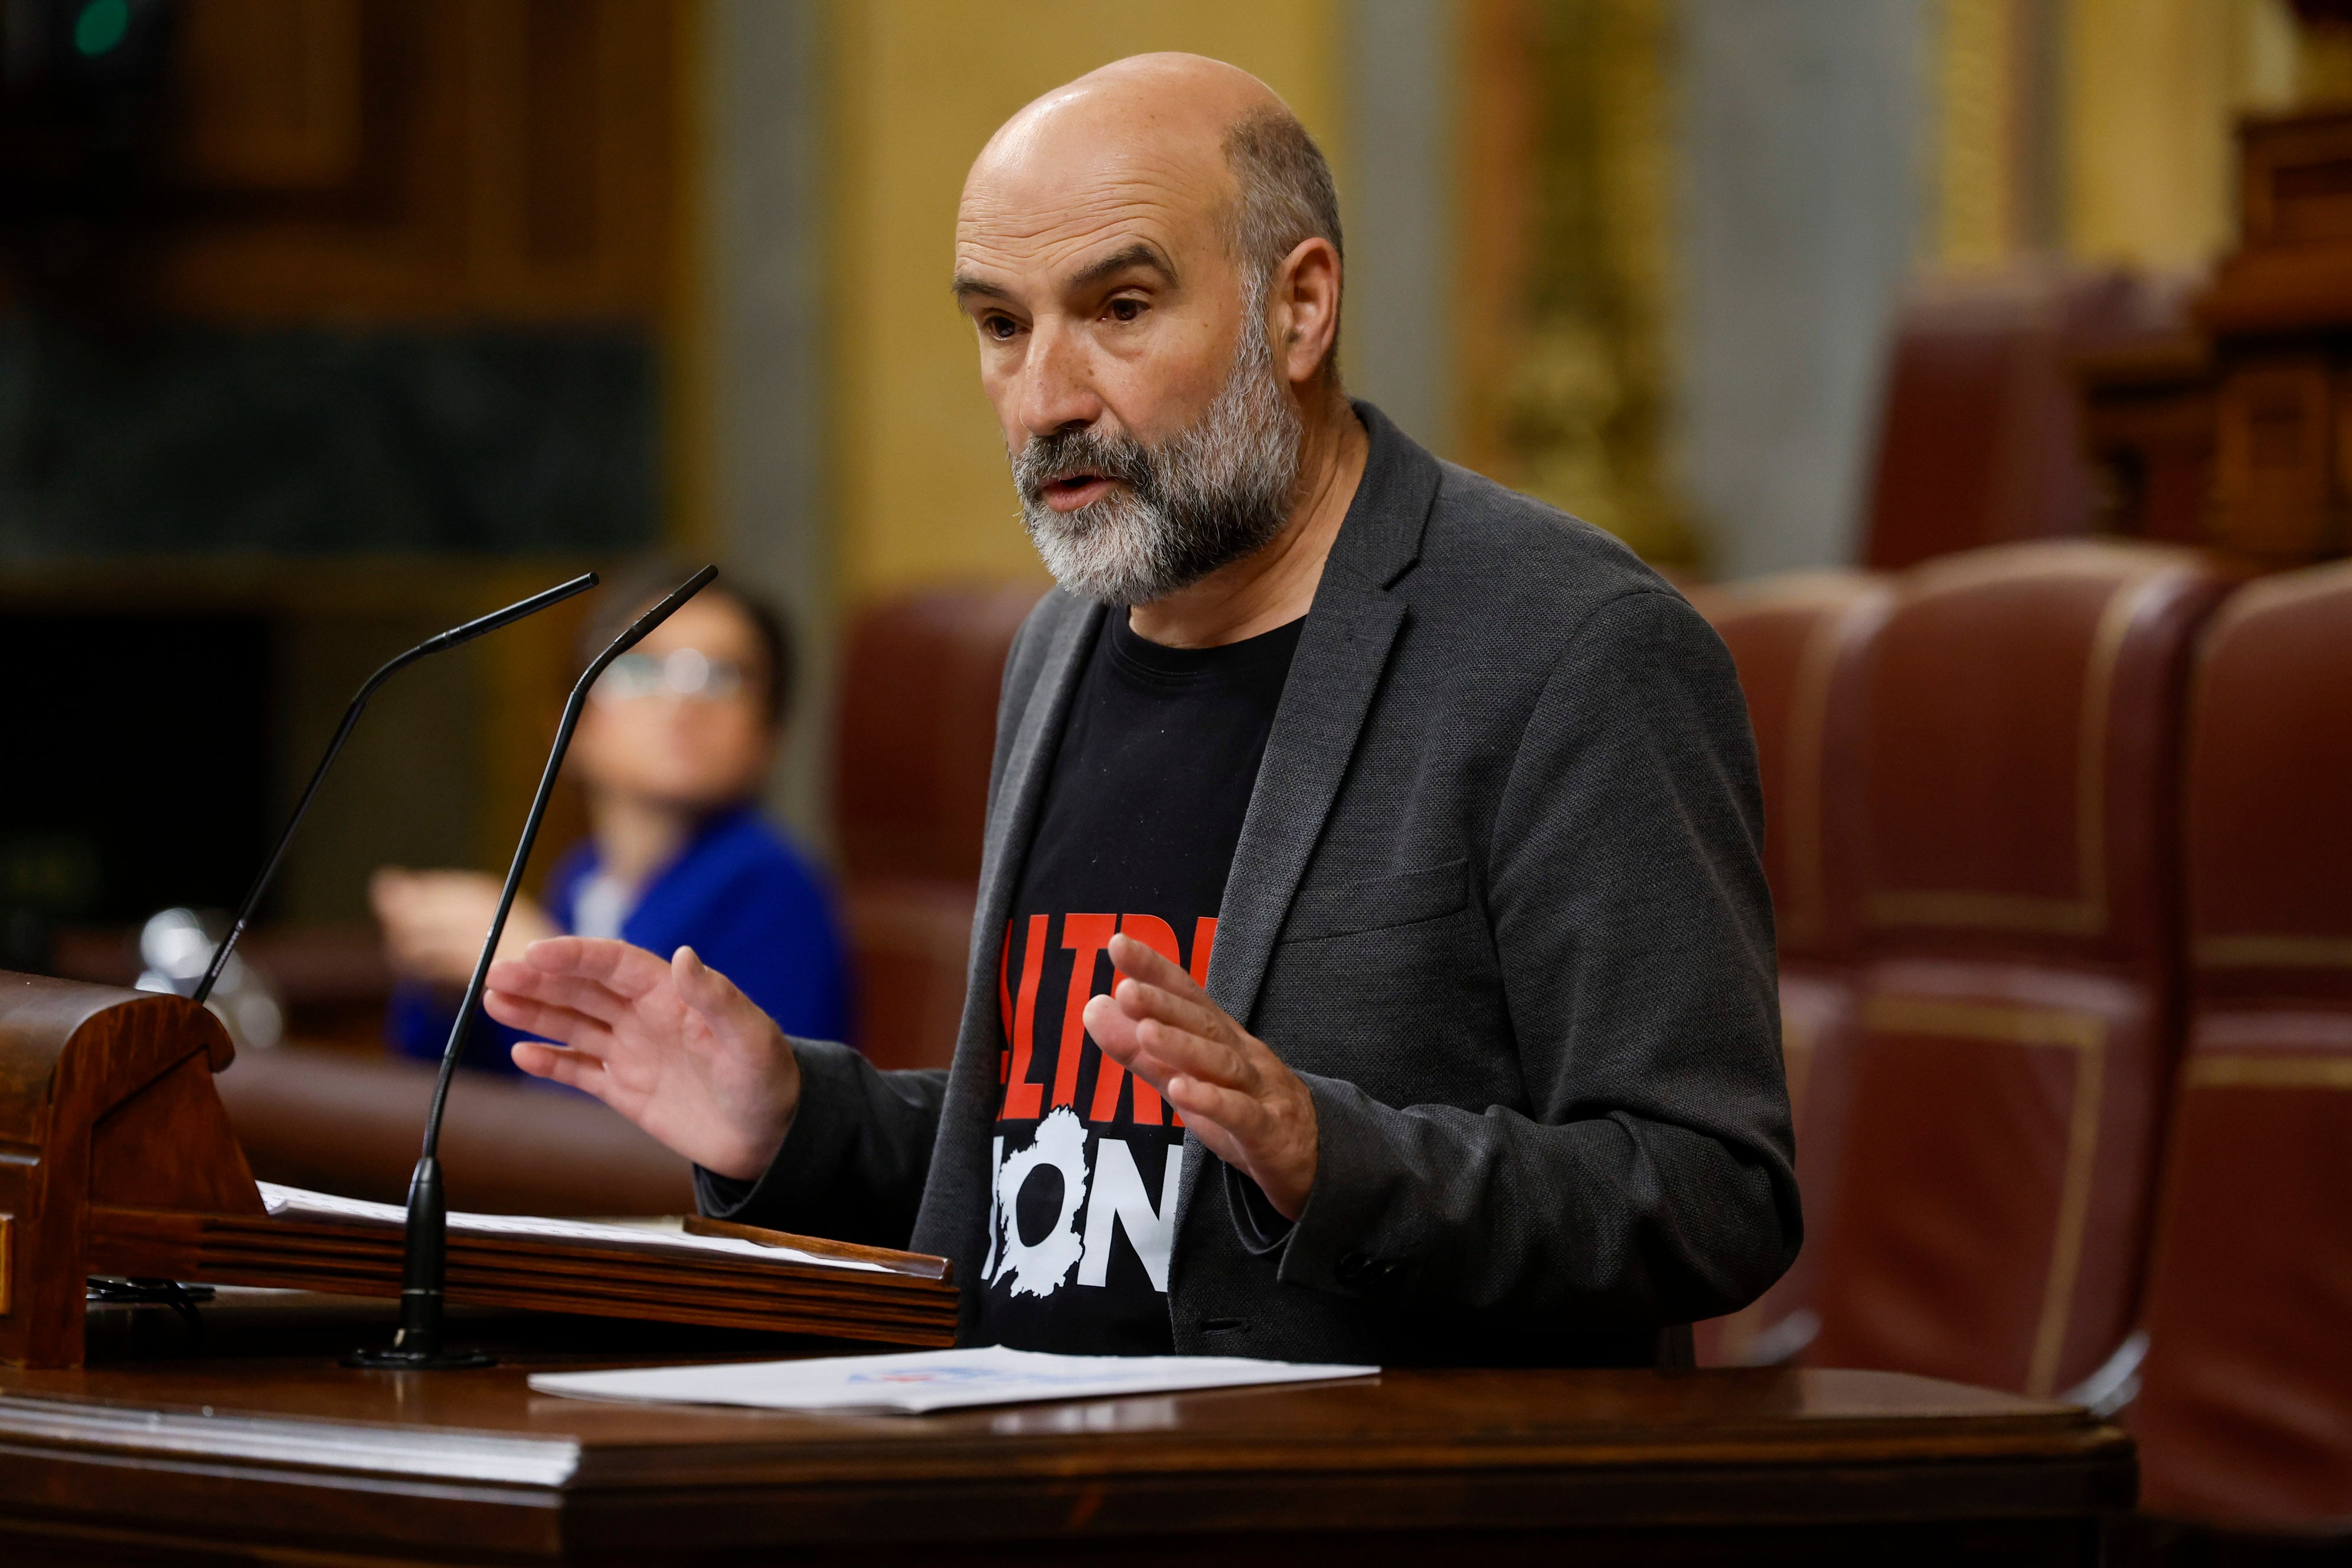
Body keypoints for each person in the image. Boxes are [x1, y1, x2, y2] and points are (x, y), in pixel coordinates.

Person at [483, 54, 1798, 1366]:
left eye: (1118, 307)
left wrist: (1326, 1153)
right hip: (1006, 1476)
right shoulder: (1062, 641)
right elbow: (1065, 1157)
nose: (1046, 397)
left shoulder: (1571, 645)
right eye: (1002, 325)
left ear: (1300, 308)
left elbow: (1711, 1192)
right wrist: (791, 1117)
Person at [375, 572, 851, 1073]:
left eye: (722, 676)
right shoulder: (583, 875)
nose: (681, 702)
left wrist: (529, 963)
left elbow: (733, 1122)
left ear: (769, 735)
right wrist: (449, 990)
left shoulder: (772, 886)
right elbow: (504, 1094)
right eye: (641, 669)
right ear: (572, 722)